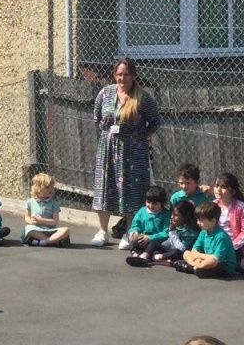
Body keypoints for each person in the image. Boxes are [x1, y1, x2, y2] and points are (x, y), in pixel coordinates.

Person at [90, 57, 160, 247]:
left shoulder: (142, 98)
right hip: (107, 148)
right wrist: (108, 135)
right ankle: (102, 231)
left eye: (126, 74)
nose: (122, 78)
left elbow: (155, 121)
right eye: (119, 74)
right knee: (104, 188)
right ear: (115, 75)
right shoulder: (105, 93)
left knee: (132, 190)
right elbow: (97, 117)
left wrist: (142, 137)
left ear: (134, 75)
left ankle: (129, 232)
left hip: (133, 151)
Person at [177, 201, 236, 279]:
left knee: (211, 261)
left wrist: (199, 256)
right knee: (186, 253)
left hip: (223, 265)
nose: (198, 223)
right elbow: (194, 250)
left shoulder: (221, 236)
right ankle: (196, 267)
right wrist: (197, 260)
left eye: (201, 220)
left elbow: (216, 259)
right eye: (197, 220)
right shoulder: (203, 232)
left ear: (213, 221)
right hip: (204, 259)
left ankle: (193, 268)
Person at [23, 172, 70, 247]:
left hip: (50, 230)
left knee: (66, 230)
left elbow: (55, 221)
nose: (50, 189)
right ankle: (54, 241)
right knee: (28, 229)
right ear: (37, 189)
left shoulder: (54, 203)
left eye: (51, 187)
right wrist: (30, 221)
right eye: (47, 187)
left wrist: (41, 220)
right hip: (37, 229)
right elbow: (27, 216)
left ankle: (44, 242)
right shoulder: (30, 202)